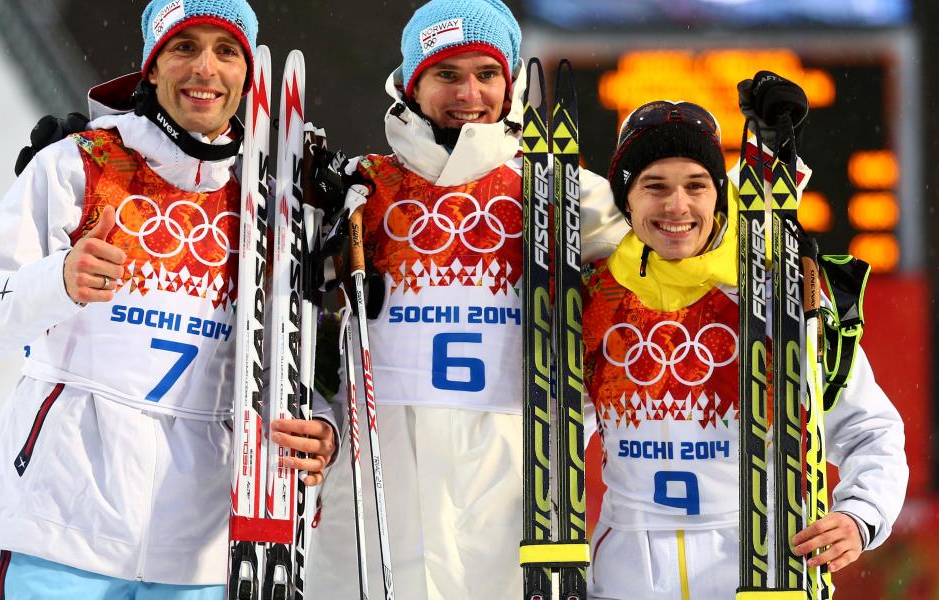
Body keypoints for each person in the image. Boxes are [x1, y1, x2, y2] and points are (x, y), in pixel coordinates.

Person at [0, 0, 336, 597]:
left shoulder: (271, 207)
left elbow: (281, 357)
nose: (205, 68)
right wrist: (56, 281)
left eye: (226, 51)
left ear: (248, 74)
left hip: (202, 554)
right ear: (151, 66)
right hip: (59, 530)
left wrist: (319, 427)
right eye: (184, 47)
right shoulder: (78, 166)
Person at [305, 1, 629, 598]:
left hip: (518, 478)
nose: (468, 93)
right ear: (411, 84)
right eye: (446, 74)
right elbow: (291, 318)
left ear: (511, 82)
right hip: (376, 476)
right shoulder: (359, 188)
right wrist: (320, 412)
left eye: (486, 73)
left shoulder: (565, 192)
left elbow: (657, 294)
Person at [580, 83, 908, 599]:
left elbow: (869, 429)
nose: (677, 205)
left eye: (696, 185)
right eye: (654, 186)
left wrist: (860, 513)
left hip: (761, 563)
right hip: (627, 574)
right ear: (626, 198)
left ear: (718, 194)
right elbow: (550, 430)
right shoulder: (597, 298)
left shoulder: (776, 294)